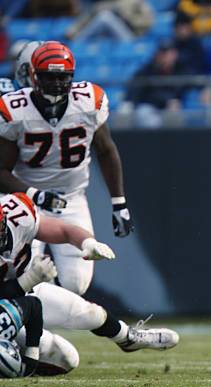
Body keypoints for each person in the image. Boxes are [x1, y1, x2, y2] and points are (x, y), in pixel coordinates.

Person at [0, 41, 134, 296]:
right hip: (24, 199)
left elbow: (106, 150)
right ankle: (29, 329)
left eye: (62, 76)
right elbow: (1, 171)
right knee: (26, 275)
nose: (57, 83)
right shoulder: (14, 109)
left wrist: (119, 203)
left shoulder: (88, 102)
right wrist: (34, 195)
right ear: (34, 76)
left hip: (70, 197)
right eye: (49, 76)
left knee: (76, 283)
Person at [0, 192, 179, 375]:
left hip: (25, 293)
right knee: (13, 358)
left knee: (71, 349)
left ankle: (127, 338)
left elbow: (64, 231)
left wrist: (87, 242)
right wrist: (29, 279)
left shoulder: (18, 216)